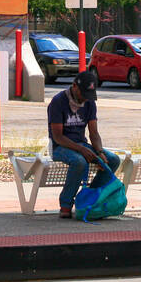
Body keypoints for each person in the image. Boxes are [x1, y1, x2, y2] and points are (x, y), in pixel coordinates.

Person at [47, 68, 120, 218]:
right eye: (83, 94)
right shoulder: (58, 102)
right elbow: (58, 136)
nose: (85, 99)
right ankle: (66, 204)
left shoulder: (89, 103)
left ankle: (90, 198)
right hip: (60, 146)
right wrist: (81, 149)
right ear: (74, 86)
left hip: (81, 144)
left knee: (112, 160)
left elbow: (94, 132)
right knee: (80, 161)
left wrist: (99, 152)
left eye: (89, 96)